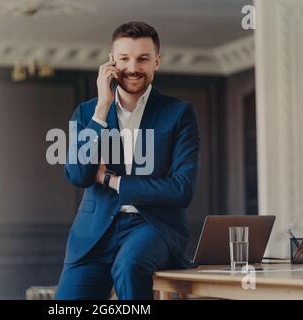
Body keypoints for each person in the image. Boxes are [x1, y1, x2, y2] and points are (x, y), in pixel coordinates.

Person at [55, 21, 200, 300]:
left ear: (156, 61)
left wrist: (112, 180)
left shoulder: (179, 113)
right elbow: (77, 174)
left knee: (129, 266)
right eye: (124, 58)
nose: (133, 67)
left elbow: (182, 189)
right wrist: (101, 109)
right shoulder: (87, 112)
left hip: (151, 227)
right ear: (111, 62)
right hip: (93, 233)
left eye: (143, 58)